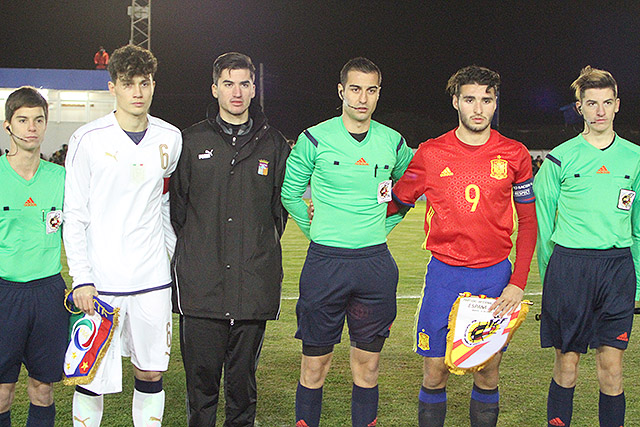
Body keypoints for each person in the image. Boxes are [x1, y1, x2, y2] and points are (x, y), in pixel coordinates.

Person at [387, 65, 537, 427]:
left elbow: (529, 222)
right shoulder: (431, 153)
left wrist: (517, 282)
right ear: (456, 102)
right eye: (470, 99)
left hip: (494, 279)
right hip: (444, 276)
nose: (479, 108)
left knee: (486, 373)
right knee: (434, 373)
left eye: (487, 100)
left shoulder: (514, 154)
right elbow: (396, 202)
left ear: (495, 102)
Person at [281, 57, 413, 427]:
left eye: (371, 90)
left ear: (378, 94)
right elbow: (290, 194)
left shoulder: (392, 141)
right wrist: (317, 232)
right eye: (355, 89)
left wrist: (384, 226)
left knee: (367, 368)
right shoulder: (314, 138)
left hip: (375, 266)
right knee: (314, 366)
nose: (362, 98)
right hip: (325, 264)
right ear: (341, 91)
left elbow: (409, 188)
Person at [64, 44, 182, 427]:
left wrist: (171, 254)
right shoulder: (88, 139)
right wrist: (82, 277)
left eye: (144, 83)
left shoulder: (171, 138)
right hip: (102, 285)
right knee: (91, 377)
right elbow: (75, 215)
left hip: (152, 281)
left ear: (153, 85)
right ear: (112, 86)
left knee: (150, 373)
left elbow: (164, 204)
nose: (137, 92)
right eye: (128, 83)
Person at [170, 52, 290, 426]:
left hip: (253, 284)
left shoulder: (274, 144)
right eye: (228, 83)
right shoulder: (189, 141)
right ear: (215, 88)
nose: (236, 92)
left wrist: (255, 248)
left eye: (243, 83)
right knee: (201, 385)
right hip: (201, 286)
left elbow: (279, 209)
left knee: (242, 385)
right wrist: (203, 251)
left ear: (254, 89)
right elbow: (177, 210)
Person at [534, 66, 640, 427]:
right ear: (579, 107)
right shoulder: (560, 158)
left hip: (617, 269)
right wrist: (549, 278)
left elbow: (638, 227)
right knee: (568, 363)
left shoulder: (635, 158)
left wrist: (637, 281)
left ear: (617, 105)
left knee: (612, 366)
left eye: (606, 103)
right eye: (591, 103)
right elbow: (543, 222)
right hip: (570, 268)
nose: (600, 111)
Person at [0, 87, 67, 427]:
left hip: (48, 294)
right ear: (7, 125)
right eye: (23, 120)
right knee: (2, 391)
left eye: (38, 120)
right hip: (5, 294)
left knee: (43, 387)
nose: (32, 127)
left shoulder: (62, 178)